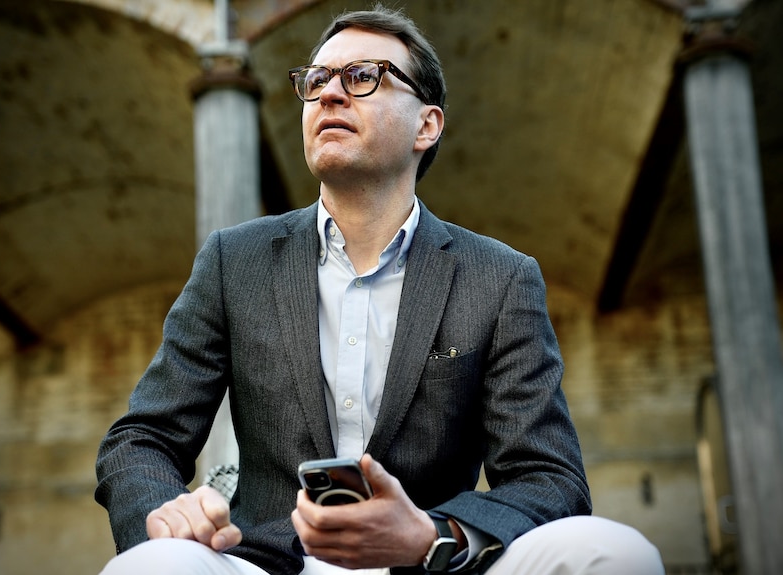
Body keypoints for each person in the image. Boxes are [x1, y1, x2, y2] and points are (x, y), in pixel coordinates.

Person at [95, 5, 664, 575]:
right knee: (155, 566)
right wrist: (162, 515)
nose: (329, 96)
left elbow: (550, 480)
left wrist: (431, 535)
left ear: (427, 125)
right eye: (316, 81)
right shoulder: (233, 260)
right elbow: (142, 437)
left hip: (429, 561)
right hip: (267, 563)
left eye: (362, 76)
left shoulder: (500, 277)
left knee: (617, 553)